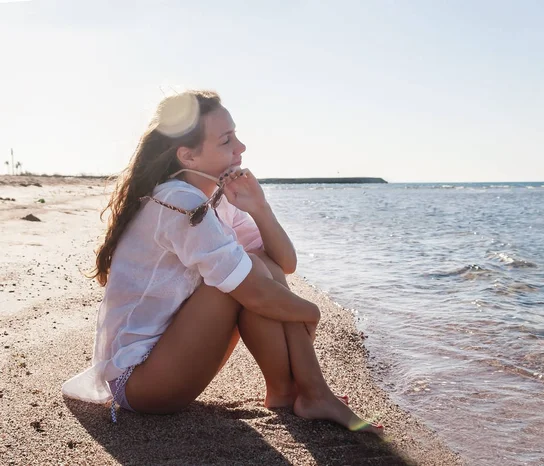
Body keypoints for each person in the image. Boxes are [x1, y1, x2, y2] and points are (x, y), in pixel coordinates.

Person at [62, 90, 382, 434]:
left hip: (171, 358)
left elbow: (283, 264)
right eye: (227, 140)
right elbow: (256, 292)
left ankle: (288, 391)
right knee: (246, 275)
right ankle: (315, 392)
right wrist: (311, 312)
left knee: (258, 266)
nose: (241, 147)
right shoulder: (179, 201)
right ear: (189, 156)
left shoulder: (215, 199)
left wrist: (260, 208)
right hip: (139, 382)